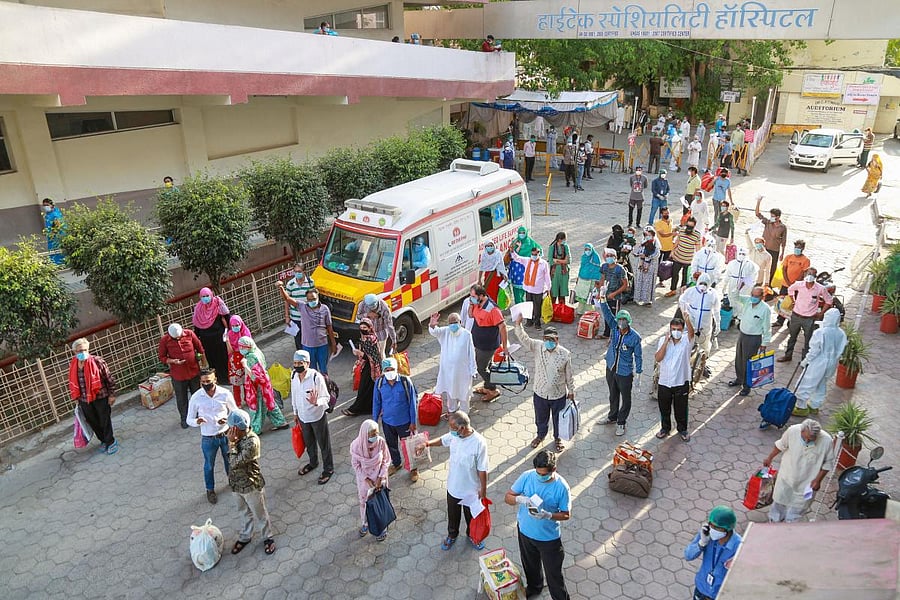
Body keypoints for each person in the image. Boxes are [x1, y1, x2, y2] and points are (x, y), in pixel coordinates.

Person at [506, 451, 572, 600]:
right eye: (538, 473)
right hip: (525, 532)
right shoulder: (527, 476)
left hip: (548, 539)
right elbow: (508, 497)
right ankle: (534, 588)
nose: (540, 477)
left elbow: (566, 514)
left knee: (554, 575)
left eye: (544, 474)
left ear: (553, 469)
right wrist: (520, 499)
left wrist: (549, 515)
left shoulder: (561, 487)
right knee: (530, 566)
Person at [423, 411, 490, 551]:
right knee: (453, 515)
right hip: (453, 486)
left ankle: (472, 535)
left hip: (471, 490)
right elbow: (442, 440)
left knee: (471, 516)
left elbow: (482, 469)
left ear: (462, 428)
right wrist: (427, 444)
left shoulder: (479, 443)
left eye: (453, 428)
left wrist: (483, 489)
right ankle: (452, 535)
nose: (450, 430)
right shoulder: (454, 436)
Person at [513, 320, 575, 452]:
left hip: (558, 394)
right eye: (547, 339)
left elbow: (569, 375)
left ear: (557, 340)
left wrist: (571, 390)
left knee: (558, 419)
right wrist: (518, 324)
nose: (549, 342)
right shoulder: (538, 346)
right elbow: (524, 339)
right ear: (543, 339)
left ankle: (558, 438)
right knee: (541, 418)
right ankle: (540, 436)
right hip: (540, 393)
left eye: (552, 339)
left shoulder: (565, 354)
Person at [762, 419, 834, 522]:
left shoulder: (826, 441)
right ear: (801, 431)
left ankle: (791, 525)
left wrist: (818, 480)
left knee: (799, 507)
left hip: (808, 481)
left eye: (811, 439)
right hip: (787, 474)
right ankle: (774, 520)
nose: (807, 441)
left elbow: (827, 463)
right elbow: (780, 445)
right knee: (779, 500)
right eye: (805, 438)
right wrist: (769, 458)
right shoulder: (792, 431)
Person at [225, 408, 275, 556]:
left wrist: (232, 445)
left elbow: (234, 462)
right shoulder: (236, 437)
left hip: (250, 485)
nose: (229, 430)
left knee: (260, 514)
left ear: (236, 428)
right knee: (243, 512)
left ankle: (268, 537)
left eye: (230, 427)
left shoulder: (251, 442)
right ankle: (245, 536)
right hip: (236, 484)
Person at [187, 368, 237, 504]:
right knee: (209, 465)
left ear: (215, 380)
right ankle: (210, 490)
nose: (206, 384)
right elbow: (189, 419)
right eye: (203, 382)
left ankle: (233, 481)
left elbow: (235, 412)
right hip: (208, 438)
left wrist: (227, 419)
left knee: (230, 461)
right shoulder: (196, 398)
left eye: (208, 381)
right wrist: (197, 421)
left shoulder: (225, 394)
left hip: (225, 434)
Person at [594, 297, 642, 436]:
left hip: (625, 372)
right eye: (619, 319)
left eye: (624, 320)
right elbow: (607, 313)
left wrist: (638, 373)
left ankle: (621, 422)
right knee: (613, 395)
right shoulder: (614, 328)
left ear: (628, 322)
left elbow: (638, 356)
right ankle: (612, 416)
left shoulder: (635, 337)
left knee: (626, 399)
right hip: (611, 368)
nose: (621, 322)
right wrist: (603, 300)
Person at [290, 349, 335, 485]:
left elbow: (326, 397)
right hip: (302, 417)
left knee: (323, 444)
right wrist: (295, 412)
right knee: (309, 442)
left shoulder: (316, 377)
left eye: (300, 363)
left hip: (316, 416)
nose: (297, 366)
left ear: (308, 363)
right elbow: (294, 395)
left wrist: (317, 402)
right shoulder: (293, 375)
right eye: (295, 363)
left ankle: (328, 469)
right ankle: (313, 462)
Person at [372, 357, 419, 482]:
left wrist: (413, 421)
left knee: (409, 446)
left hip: (405, 422)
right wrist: (374, 422)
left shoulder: (405, 381)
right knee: (391, 445)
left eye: (391, 369)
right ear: (383, 371)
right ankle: (396, 463)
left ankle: (413, 468)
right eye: (386, 370)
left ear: (396, 369)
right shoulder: (379, 383)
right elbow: (376, 402)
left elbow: (413, 402)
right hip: (388, 422)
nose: (389, 372)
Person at [792, 308, 847, 416]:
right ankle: (814, 406)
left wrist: (806, 360)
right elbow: (841, 349)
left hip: (818, 361)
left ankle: (801, 407)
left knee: (806, 382)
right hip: (832, 362)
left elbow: (814, 350)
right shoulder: (841, 333)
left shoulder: (820, 332)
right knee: (821, 383)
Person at [68, 338, 118, 455]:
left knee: (104, 420)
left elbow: (108, 378)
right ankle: (103, 440)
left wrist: (111, 394)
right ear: (74, 352)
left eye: (85, 350)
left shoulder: (97, 361)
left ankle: (110, 441)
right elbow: (74, 382)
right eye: (80, 351)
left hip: (100, 396)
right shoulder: (74, 364)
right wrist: (77, 398)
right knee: (93, 421)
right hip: (84, 399)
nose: (83, 353)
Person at [684, 505, 742, 600]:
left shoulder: (739, 546)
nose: (713, 530)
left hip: (720, 595)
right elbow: (688, 555)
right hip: (701, 589)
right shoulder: (706, 535)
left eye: (717, 528)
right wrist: (701, 543)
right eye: (711, 525)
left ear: (728, 529)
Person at [778, 268, 833, 363]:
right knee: (792, 337)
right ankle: (788, 355)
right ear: (805, 275)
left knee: (808, 340)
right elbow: (790, 289)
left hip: (809, 318)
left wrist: (821, 313)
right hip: (796, 316)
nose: (810, 275)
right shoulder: (799, 284)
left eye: (812, 274)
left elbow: (829, 300)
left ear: (815, 276)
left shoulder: (820, 288)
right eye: (808, 273)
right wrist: (793, 300)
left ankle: (805, 360)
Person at [236, 336, 288, 434]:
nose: (241, 349)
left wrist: (245, 366)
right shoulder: (257, 351)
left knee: (257, 408)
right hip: (265, 384)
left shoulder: (251, 357)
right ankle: (281, 422)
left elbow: (255, 377)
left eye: (242, 347)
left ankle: (255, 430)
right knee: (269, 403)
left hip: (258, 387)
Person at [350, 419, 392, 541]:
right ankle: (366, 523)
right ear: (365, 434)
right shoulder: (356, 446)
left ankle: (382, 526)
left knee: (380, 503)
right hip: (365, 482)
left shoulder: (381, 442)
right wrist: (366, 479)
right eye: (372, 434)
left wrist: (380, 477)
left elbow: (386, 460)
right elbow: (356, 465)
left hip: (380, 479)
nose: (375, 436)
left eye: (377, 433)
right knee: (365, 503)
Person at [655, 317, 695, 441]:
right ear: (670, 329)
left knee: (681, 408)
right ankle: (665, 428)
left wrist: (687, 319)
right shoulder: (663, 340)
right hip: (664, 382)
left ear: (683, 330)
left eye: (678, 329)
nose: (676, 331)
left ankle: (682, 429)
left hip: (680, 382)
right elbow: (658, 358)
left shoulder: (687, 342)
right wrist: (665, 343)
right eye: (673, 329)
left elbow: (692, 333)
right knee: (664, 408)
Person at [429, 312, 478, 415]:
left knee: (464, 392)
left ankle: (464, 413)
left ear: (460, 322)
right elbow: (435, 331)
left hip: (463, 371)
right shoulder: (446, 332)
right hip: (448, 370)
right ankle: (452, 410)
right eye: (450, 323)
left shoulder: (466, 334)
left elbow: (471, 352)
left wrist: (473, 369)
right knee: (450, 391)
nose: (453, 325)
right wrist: (432, 324)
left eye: (455, 322)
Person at [158, 323, 204, 428]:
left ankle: (200, 416)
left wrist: (200, 359)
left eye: (179, 337)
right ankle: (185, 418)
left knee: (197, 395)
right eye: (176, 338)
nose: (178, 339)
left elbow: (200, 348)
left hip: (193, 372)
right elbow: (162, 357)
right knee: (181, 398)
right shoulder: (164, 340)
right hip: (178, 375)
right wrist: (172, 361)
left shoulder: (190, 334)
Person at [728, 286, 771, 397]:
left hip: (754, 338)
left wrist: (764, 343)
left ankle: (747, 386)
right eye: (752, 295)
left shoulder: (765, 309)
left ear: (762, 297)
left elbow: (767, 328)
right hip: (742, 334)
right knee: (739, 359)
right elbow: (734, 297)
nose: (753, 298)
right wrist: (737, 288)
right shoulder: (747, 301)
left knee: (748, 362)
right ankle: (739, 379)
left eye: (756, 296)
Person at [469, 285, 509, 403]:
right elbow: (470, 315)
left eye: (473, 296)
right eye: (471, 296)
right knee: (487, 365)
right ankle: (487, 387)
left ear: (481, 296)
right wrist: (471, 305)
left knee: (480, 368)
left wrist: (505, 347)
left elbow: (503, 327)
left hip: (487, 345)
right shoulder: (477, 304)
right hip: (478, 342)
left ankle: (493, 389)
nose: (471, 298)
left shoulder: (493, 309)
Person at [343, 318, 383, 417]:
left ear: (370, 328)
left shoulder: (370, 339)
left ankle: (355, 409)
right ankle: (368, 408)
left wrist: (360, 353)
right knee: (367, 389)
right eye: (361, 327)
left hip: (373, 368)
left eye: (365, 327)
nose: (363, 329)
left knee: (364, 388)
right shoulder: (364, 338)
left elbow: (374, 357)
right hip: (367, 366)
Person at [192, 288, 230, 383]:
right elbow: (196, 326)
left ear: (211, 295)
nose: (205, 298)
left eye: (207, 296)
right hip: (206, 341)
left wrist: (229, 332)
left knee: (223, 358)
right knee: (211, 360)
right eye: (203, 296)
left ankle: (226, 378)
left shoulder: (218, 304)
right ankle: (215, 379)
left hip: (219, 339)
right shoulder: (198, 308)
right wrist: (196, 341)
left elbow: (227, 317)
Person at [679, 273, 721, 357]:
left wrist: (718, 323)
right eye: (701, 283)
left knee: (704, 344)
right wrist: (685, 311)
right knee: (688, 341)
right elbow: (682, 300)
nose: (703, 286)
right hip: (692, 322)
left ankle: (703, 359)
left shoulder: (713, 294)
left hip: (705, 323)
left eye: (705, 284)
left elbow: (716, 310)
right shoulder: (691, 291)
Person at [296, 289, 337, 374]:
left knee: (323, 369)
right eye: (309, 299)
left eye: (314, 299)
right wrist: (281, 287)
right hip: (308, 345)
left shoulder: (325, 309)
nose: (312, 301)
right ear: (307, 300)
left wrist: (333, 344)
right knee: (311, 371)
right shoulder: (303, 307)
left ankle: (324, 381)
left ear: (318, 297)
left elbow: (329, 327)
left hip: (322, 344)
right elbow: (287, 299)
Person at [510, 245, 551, 329]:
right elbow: (518, 258)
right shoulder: (527, 261)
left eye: (535, 254)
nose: (534, 256)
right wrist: (512, 251)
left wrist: (548, 288)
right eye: (532, 254)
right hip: (528, 288)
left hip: (538, 289)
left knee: (537, 307)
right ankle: (529, 321)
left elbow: (547, 276)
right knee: (528, 306)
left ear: (539, 254)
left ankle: (537, 323)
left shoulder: (543, 264)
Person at [772, 239, 810, 328]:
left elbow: (803, 273)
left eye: (799, 248)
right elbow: (784, 269)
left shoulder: (806, 260)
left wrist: (794, 284)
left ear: (803, 248)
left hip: (797, 286)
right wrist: (788, 282)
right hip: (785, 284)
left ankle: (791, 322)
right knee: (782, 303)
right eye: (796, 247)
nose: (797, 249)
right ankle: (779, 320)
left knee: (793, 304)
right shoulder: (788, 257)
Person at [279, 262, 315, 350]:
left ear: (304, 271)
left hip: (308, 317)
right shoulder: (290, 284)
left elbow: (313, 298)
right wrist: (287, 316)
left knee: (309, 340)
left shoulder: (310, 282)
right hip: (295, 318)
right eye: (295, 271)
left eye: (299, 271)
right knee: (298, 340)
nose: (297, 273)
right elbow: (287, 300)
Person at [665, 216, 702, 297]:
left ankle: (683, 292)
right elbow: (677, 242)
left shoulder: (697, 235)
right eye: (688, 226)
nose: (689, 228)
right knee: (674, 274)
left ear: (694, 226)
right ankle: (673, 290)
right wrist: (672, 251)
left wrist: (698, 261)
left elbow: (698, 249)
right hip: (677, 257)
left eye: (691, 227)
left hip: (688, 260)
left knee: (685, 277)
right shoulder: (681, 230)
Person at [755, 198, 788, 286]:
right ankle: (759, 282)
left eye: (773, 216)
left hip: (774, 250)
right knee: (761, 266)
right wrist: (758, 202)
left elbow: (784, 241)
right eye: (771, 216)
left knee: (772, 268)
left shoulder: (782, 227)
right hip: (764, 248)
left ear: (778, 217)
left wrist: (782, 253)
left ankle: (768, 284)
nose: (771, 218)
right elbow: (758, 214)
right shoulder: (768, 222)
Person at [597, 248, 629, 338]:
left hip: (615, 298)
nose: (609, 257)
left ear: (615, 257)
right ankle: (607, 334)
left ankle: (617, 336)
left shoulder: (620, 269)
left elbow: (625, 285)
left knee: (615, 317)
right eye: (607, 256)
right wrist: (600, 292)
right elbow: (602, 278)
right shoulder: (604, 267)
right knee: (606, 315)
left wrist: (614, 294)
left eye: (611, 256)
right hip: (605, 296)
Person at [225, 315, 253, 406]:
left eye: (237, 325)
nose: (235, 327)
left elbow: (250, 347)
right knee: (236, 384)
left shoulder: (246, 332)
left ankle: (248, 399)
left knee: (246, 382)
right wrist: (227, 341)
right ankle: (237, 402)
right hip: (234, 361)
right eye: (233, 326)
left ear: (241, 324)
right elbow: (230, 351)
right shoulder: (229, 334)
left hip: (245, 358)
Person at [723, 248, 759, 320]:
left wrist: (748, 286)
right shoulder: (732, 263)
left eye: (743, 254)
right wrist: (725, 285)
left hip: (745, 285)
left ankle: (741, 316)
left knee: (742, 300)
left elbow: (753, 277)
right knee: (732, 298)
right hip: (733, 282)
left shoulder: (751, 265)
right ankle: (734, 314)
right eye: (740, 253)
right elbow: (727, 275)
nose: (741, 255)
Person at [509, 226, 540, 304]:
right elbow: (512, 254)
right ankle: (518, 306)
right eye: (520, 233)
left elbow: (539, 251)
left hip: (526, 268)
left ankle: (527, 306)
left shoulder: (531, 243)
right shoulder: (515, 242)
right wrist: (518, 247)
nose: (521, 234)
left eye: (523, 233)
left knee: (527, 291)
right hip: (516, 270)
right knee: (516, 291)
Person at [632, 227, 661, 306]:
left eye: (649, 235)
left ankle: (647, 300)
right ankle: (637, 298)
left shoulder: (655, 242)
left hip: (651, 266)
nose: (647, 236)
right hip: (641, 265)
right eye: (646, 234)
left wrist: (647, 256)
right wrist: (637, 253)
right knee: (639, 280)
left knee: (648, 283)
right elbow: (639, 249)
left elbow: (657, 254)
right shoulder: (643, 241)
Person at [575, 243, 602, 313]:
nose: (587, 251)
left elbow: (597, 269)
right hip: (582, 279)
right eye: (586, 249)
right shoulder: (583, 257)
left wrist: (597, 280)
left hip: (592, 280)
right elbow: (581, 267)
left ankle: (590, 312)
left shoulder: (595, 258)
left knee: (590, 297)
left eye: (589, 249)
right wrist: (578, 277)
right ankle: (580, 311)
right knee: (581, 296)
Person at [547, 232, 570, 304]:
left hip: (564, 272)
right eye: (564, 239)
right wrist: (563, 261)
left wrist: (557, 260)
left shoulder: (565, 246)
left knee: (562, 294)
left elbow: (568, 260)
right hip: (555, 273)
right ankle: (553, 308)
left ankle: (562, 309)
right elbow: (551, 261)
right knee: (553, 293)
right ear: (560, 239)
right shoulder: (552, 247)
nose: (565, 241)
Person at [41, 198, 65, 265]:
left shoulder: (55, 215)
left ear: (51, 205)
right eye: (44, 205)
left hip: (56, 239)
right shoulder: (48, 215)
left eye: (47, 205)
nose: (45, 207)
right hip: (51, 239)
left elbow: (58, 226)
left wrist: (53, 233)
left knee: (58, 256)